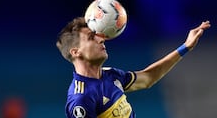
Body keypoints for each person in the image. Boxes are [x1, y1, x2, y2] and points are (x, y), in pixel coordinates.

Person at [56, 17, 210, 118]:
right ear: (76, 52)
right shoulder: (81, 98)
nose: (101, 39)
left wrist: (185, 47)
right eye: (91, 38)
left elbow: (148, 78)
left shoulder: (110, 75)